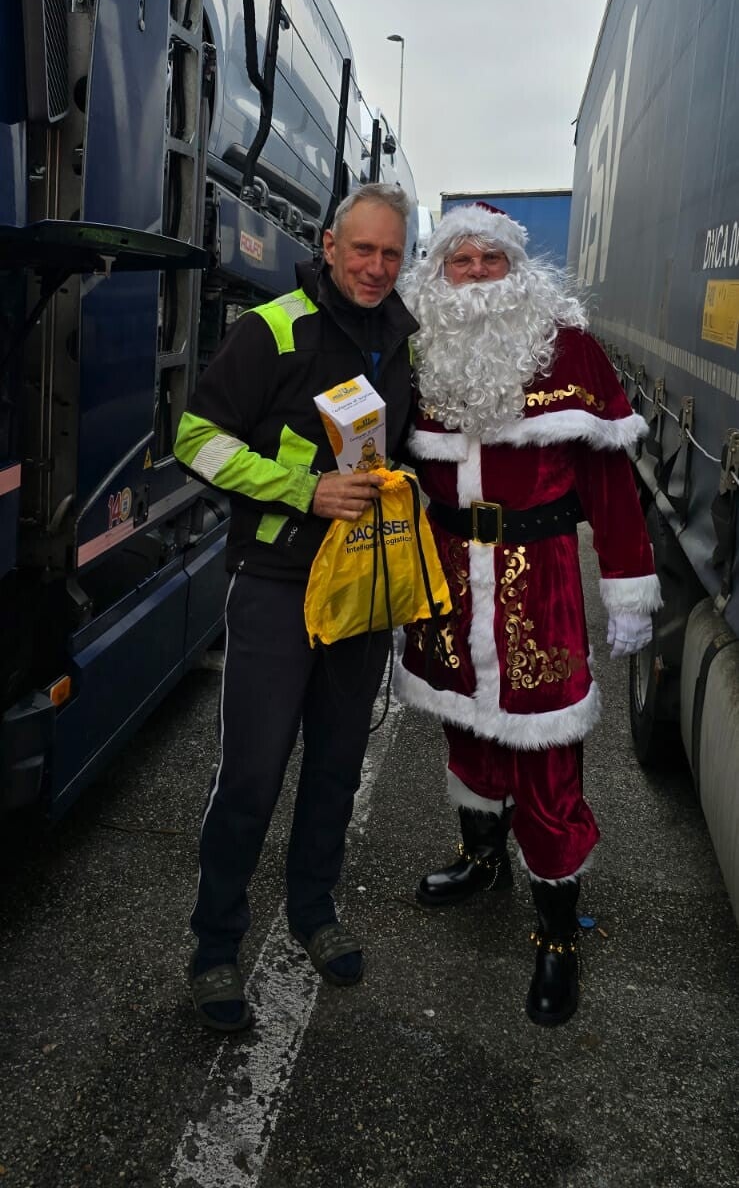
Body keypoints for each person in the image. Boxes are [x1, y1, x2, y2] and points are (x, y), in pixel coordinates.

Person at [395, 202, 659, 1026]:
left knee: (545, 758)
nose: (475, 273)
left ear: (517, 269)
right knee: (465, 731)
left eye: (491, 260)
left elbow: (610, 485)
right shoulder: (417, 346)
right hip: (447, 577)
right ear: (439, 272)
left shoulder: (568, 347)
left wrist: (628, 583)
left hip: (536, 581)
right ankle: (481, 861)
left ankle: (555, 933)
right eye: (460, 260)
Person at [174, 183, 416, 1031]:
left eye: (391, 254)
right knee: (250, 774)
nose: (376, 268)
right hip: (277, 583)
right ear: (328, 245)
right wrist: (303, 489)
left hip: (361, 586)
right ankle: (214, 945)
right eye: (363, 250)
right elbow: (195, 439)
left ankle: (314, 909)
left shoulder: (406, 340)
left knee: (336, 768)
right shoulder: (273, 327)